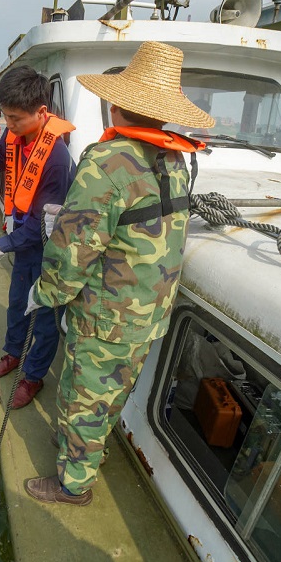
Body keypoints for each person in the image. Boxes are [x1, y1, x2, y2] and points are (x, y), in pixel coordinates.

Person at [22, 41, 214, 505]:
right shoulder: (176, 160)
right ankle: (83, 450)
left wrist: (44, 293)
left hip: (107, 315)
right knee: (111, 391)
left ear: (116, 104)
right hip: (150, 314)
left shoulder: (106, 163)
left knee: (81, 396)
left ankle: (73, 484)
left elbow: (71, 249)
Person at [0, 65, 76, 409]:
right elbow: (2, 153)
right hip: (24, 242)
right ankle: (13, 353)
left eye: (14, 119)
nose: (8, 125)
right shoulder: (14, 134)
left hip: (48, 247)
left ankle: (33, 376)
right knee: (17, 301)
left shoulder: (56, 159)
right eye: (5, 117)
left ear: (42, 113)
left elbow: (41, 227)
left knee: (43, 315)